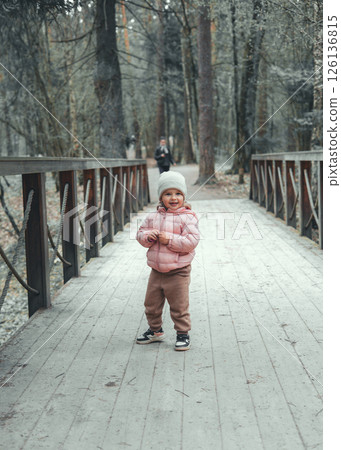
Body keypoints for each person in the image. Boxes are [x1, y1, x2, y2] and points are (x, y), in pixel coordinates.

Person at [136, 171, 200, 351]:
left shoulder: (188, 217)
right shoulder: (152, 217)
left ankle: (182, 334)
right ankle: (155, 330)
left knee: (179, 306)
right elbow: (140, 235)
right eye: (168, 193)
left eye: (178, 193)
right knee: (151, 304)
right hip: (156, 270)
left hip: (178, 271)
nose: (173, 198)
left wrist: (169, 240)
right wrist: (149, 236)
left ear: (184, 196)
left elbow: (191, 242)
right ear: (161, 197)